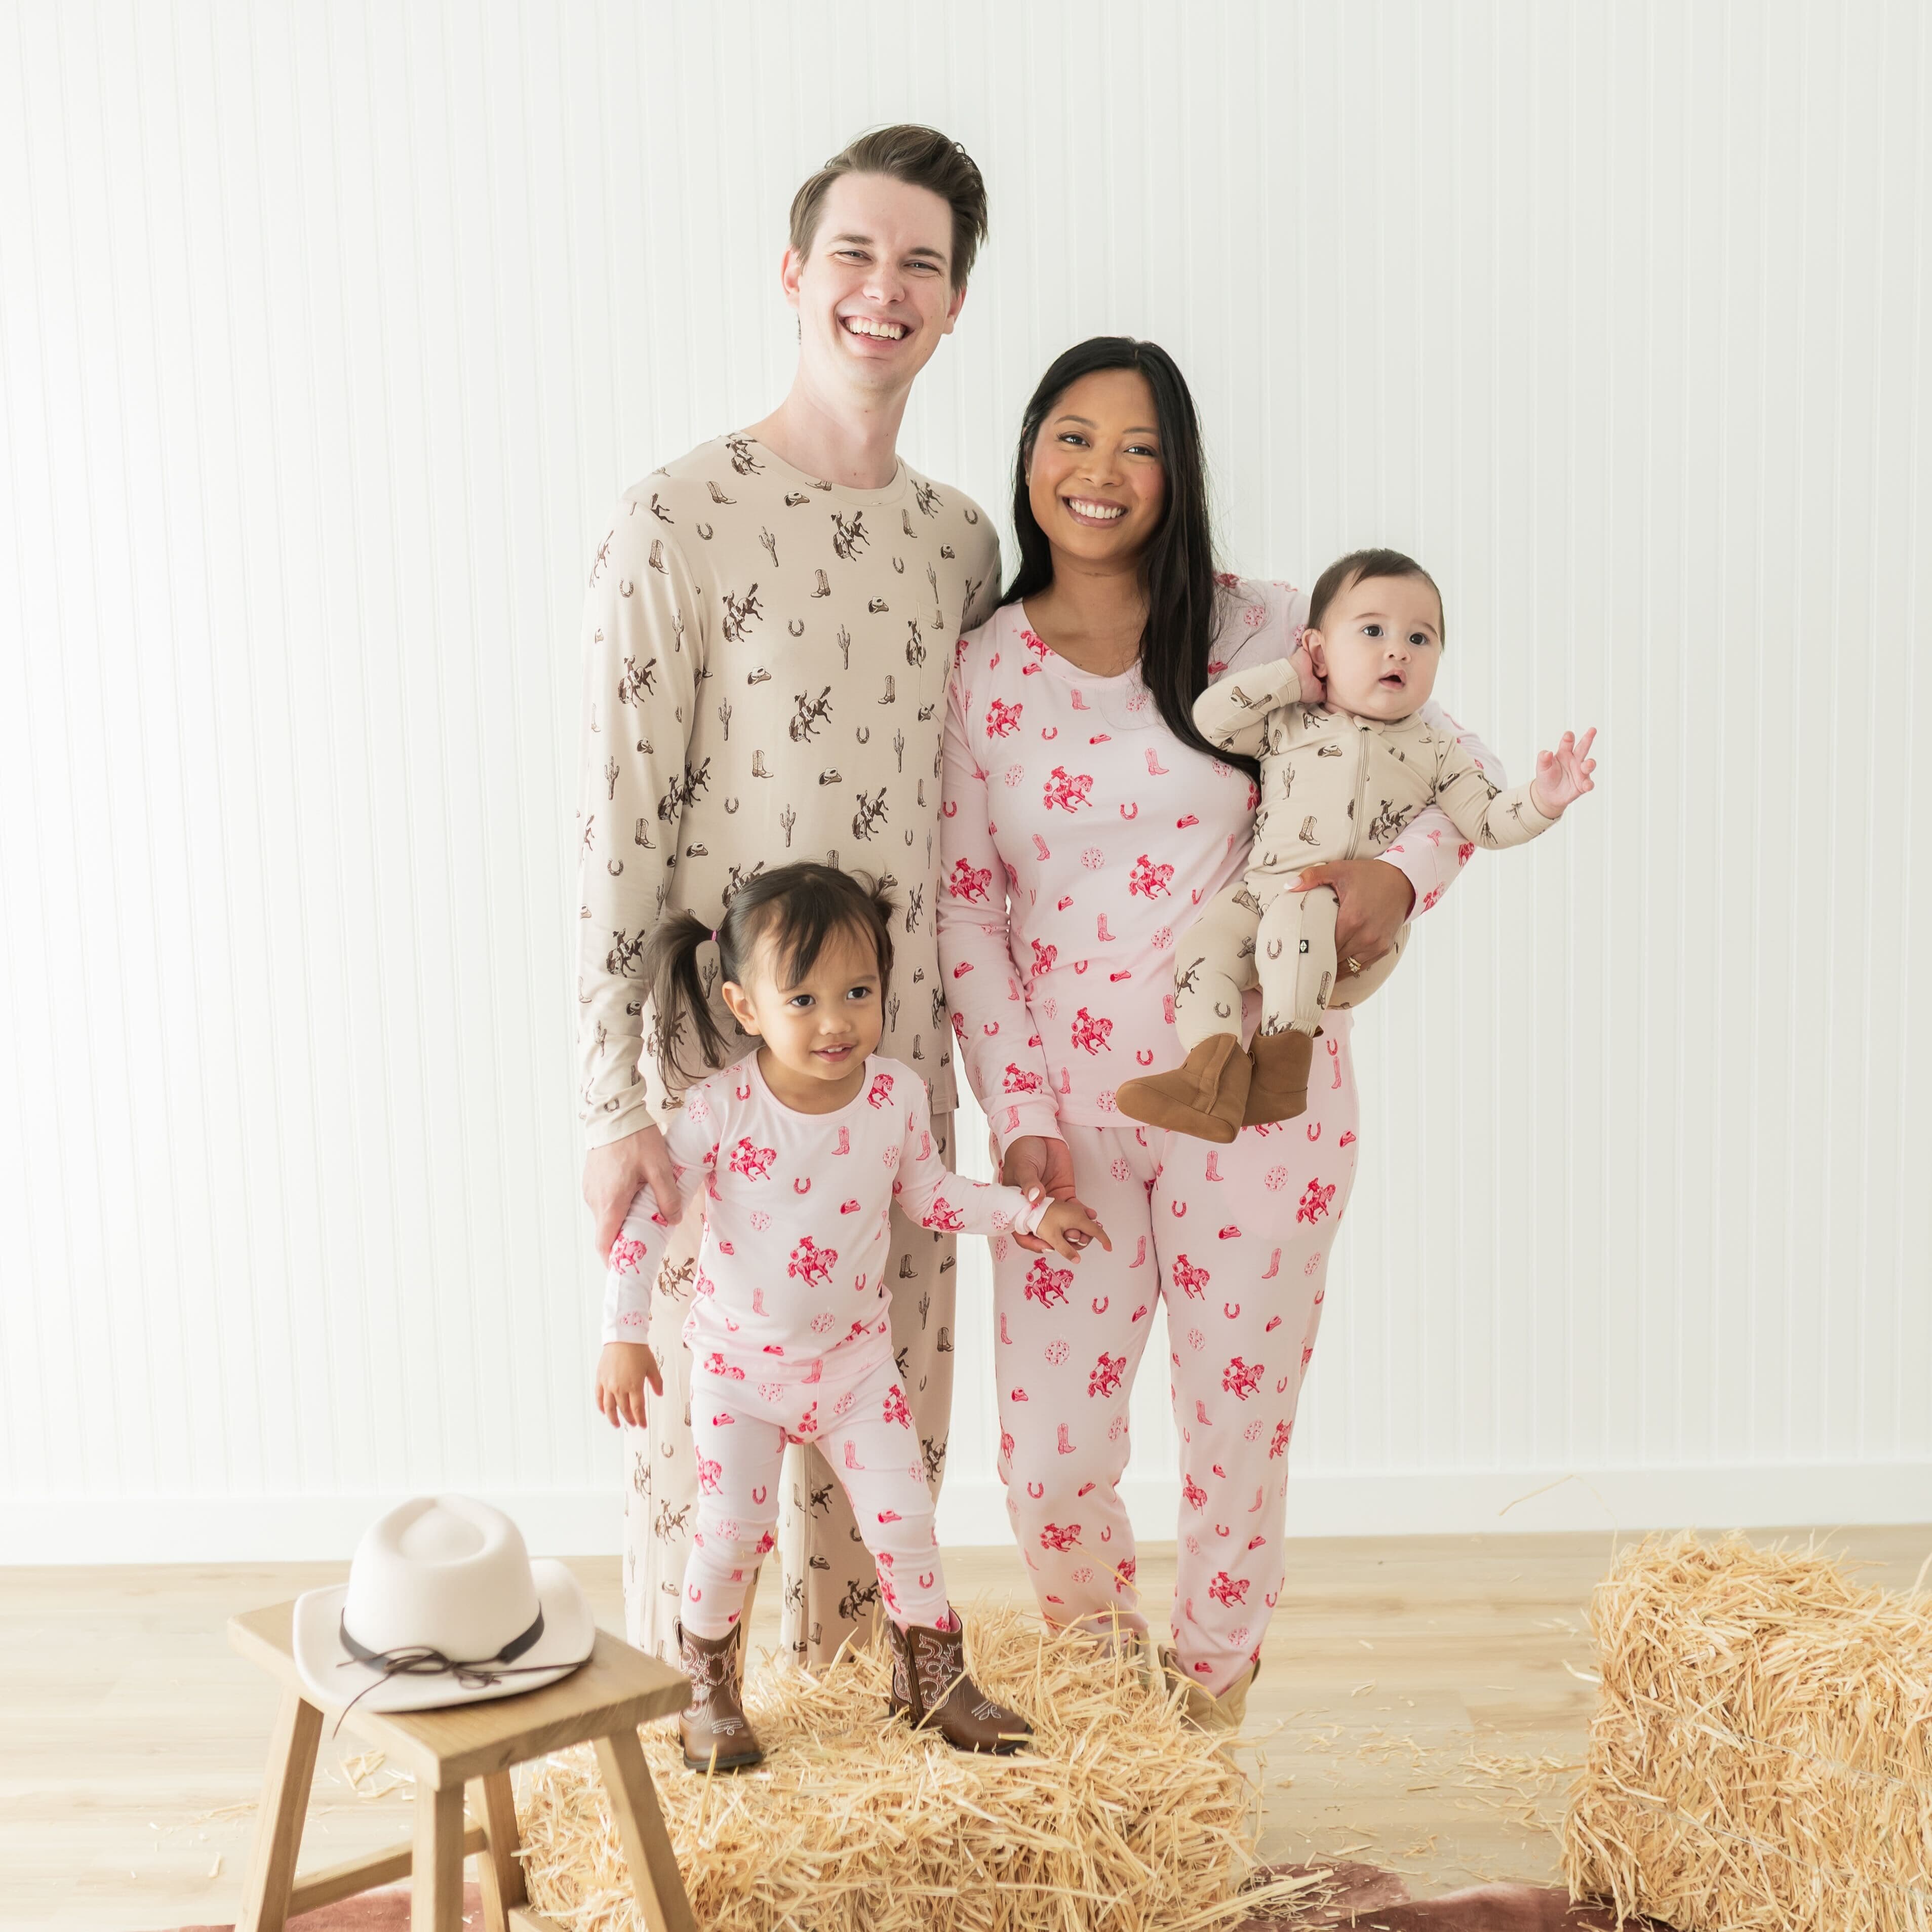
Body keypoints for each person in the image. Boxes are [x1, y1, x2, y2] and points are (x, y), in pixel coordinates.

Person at [936, 338, 1499, 1729]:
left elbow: (1445, 771)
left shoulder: (1266, 631)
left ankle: (1207, 1714)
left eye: (1137, 445)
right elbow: (964, 918)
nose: (1101, 472)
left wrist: (1398, 876)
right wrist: (1014, 1114)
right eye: (1071, 436)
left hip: (1262, 1105)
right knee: (1051, 1458)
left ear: (1177, 470)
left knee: (1231, 1435)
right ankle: (1102, 1683)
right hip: (1068, 1121)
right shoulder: (979, 672)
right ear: (1027, 455)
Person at [573, 126, 1001, 1669]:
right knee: (707, 1470)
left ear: (953, 305)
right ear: (792, 274)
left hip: (891, 1085)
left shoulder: (958, 543)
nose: (882, 291)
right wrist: (605, 1097)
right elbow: (613, 836)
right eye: (854, 254)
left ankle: (861, 1803)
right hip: (718, 1082)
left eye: (921, 265)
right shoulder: (673, 521)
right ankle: (695, 1792)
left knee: (885, 1459)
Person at [597, 865, 1105, 1767]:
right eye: (804, 998)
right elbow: (649, 1217)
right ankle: (707, 1695)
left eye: (858, 992)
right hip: (738, 1375)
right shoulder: (720, 1109)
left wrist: (1028, 1215)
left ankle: (932, 1683)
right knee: (731, 1535)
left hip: (857, 1371)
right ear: (745, 1008)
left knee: (904, 1524)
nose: (836, 1021)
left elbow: (934, 1196)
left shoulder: (895, 1098)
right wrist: (622, 1335)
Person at [1117, 547, 1598, 1138]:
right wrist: (1290, 677)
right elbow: (1212, 718)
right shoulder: (1289, 720)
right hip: (1258, 893)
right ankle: (1210, 1074)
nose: (1397, 649)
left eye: (1420, 639)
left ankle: (1279, 1073)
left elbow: (1488, 822)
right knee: (1202, 950)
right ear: (1318, 649)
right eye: (1372, 630)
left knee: (1299, 909)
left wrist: (1545, 798)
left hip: (1345, 927)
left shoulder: (1437, 750)